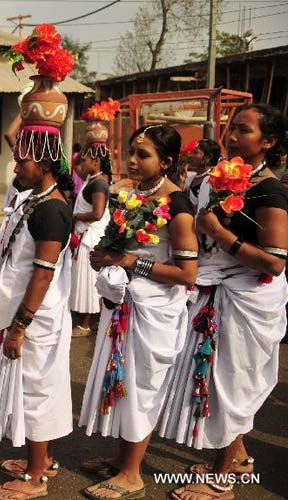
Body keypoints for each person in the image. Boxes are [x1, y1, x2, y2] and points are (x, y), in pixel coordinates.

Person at [160, 104, 288, 500]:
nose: (233, 136)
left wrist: (218, 231)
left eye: (244, 131)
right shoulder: (218, 179)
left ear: (267, 142)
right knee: (220, 381)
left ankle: (222, 479)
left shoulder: (270, 189)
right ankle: (238, 457)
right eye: (232, 128)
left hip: (247, 297)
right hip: (217, 290)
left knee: (233, 383)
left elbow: (275, 261)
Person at [78, 124, 198, 500]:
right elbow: (119, 250)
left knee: (142, 385)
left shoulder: (177, 205)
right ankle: (122, 458)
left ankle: (132, 474)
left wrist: (131, 262)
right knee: (122, 381)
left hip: (154, 310)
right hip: (124, 305)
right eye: (131, 152)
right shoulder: (128, 196)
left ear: (166, 161)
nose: (131, 161)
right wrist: (105, 260)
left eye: (143, 155)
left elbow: (186, 274)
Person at [0, 124, 74, 500]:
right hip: (20, 310)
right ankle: (41, 458)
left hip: (36, 316)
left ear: (46, 163)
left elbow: (42, 273)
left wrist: (20, 324)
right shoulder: (31, 198)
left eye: (23, 159)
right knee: (30, 387)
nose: (16, 165)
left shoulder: (52, 209)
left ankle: (36, 477)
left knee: (38, 389)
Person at [70, 143, 112, 337]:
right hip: (84, 236)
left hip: (91, 237)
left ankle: (87, 323)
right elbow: (75, 163)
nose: (82, 162)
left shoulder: (99, 184)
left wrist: (76, 216)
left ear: (96, 162)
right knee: (82, 278)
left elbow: (97, 213)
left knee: (89, 280)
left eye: (87, 159)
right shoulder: (91, 178)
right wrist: (89, 145)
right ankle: (86, 319)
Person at [186, 139, 222, 208]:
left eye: (195, 153)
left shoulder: (210, 182)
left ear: (208, 158)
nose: (191, 155)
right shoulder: (190, 178)